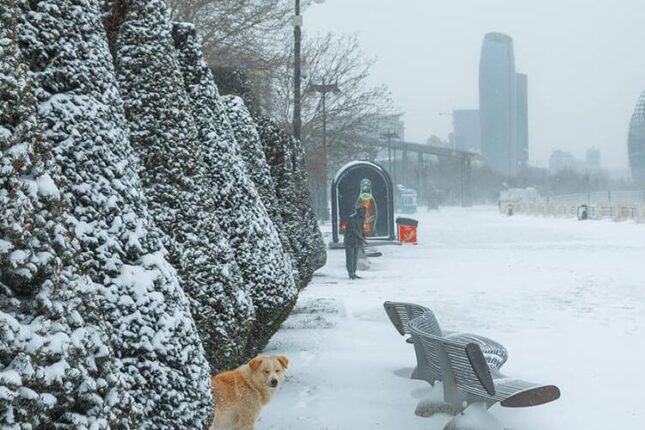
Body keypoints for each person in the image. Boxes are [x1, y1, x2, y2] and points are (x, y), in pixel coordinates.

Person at [344, 205, 366, 280]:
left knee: (355, 257)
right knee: (350, 257)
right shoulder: (352, 218)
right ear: (359, 211)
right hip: (350, 241)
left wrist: (363, 237)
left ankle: (354, 272)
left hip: (357, 241)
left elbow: (361, 229)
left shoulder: (361, 218)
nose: (364, 213)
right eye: (362, 212)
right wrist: (361, 238)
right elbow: (353, 230)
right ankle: (350, 273)